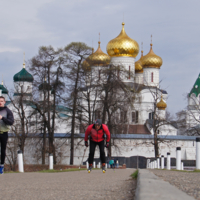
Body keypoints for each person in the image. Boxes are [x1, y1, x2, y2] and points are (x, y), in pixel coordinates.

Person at [0, 96, 14, 174]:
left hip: (4, 133)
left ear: (4, 102)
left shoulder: (7, 111)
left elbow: (11, 122)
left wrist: (2, 118)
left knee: (2, 150)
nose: (0, 102)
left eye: (2, 101)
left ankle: (1, 166)